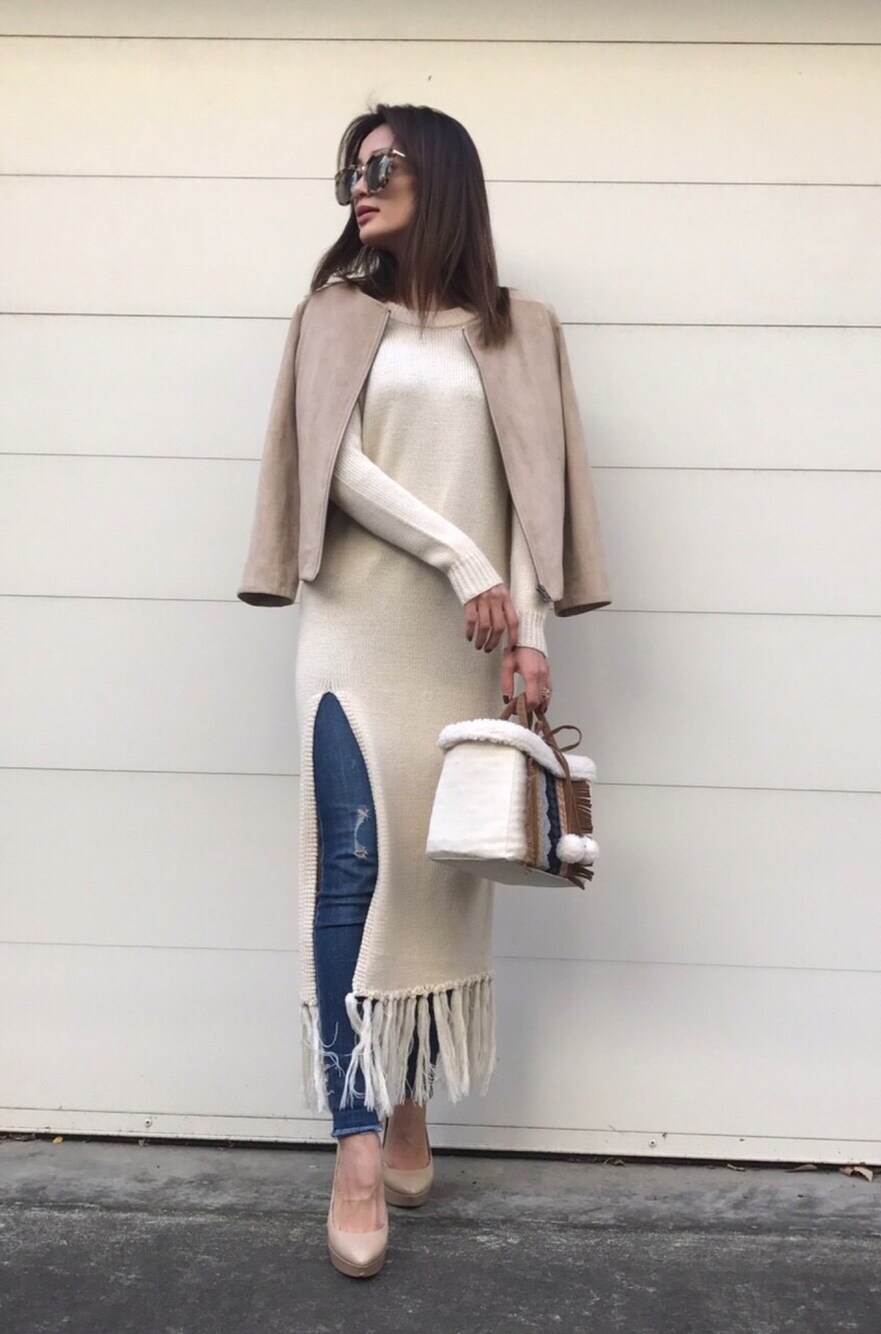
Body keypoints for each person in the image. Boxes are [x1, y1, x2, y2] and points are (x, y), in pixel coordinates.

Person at [238, 102, 610, 1279]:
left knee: (437, 877)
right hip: (357, 632)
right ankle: (356, 1149)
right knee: (351, 868)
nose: (360, 183)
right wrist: (463, 561)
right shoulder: (332, 314)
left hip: (470, 642)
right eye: (350, 170)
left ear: (438, 174)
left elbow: (532, 498)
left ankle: (408, 1094)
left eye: (382, 164)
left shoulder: (521, 330)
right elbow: (337, 467)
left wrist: (528, 632)